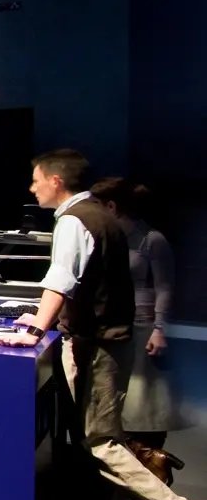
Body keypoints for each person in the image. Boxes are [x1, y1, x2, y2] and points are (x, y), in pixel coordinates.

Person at [0, 151, 206, 500]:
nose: (32, 188)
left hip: (98, 348)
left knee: (101, 442)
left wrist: (34, 331)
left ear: (55, 181)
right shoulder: (98, 215)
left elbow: (61, 279)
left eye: (36, 180)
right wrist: (43, 319)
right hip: (106, 342)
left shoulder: (75, 219)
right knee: (99, 438)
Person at [89, 179, 179, 448]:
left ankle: (149, 457)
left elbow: (165, 287)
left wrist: (159, 328)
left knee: (144, 402)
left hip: (142, 327)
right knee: (115, 399)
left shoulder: (152, 240)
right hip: (113, 325)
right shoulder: (108, 237)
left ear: (112, 206)